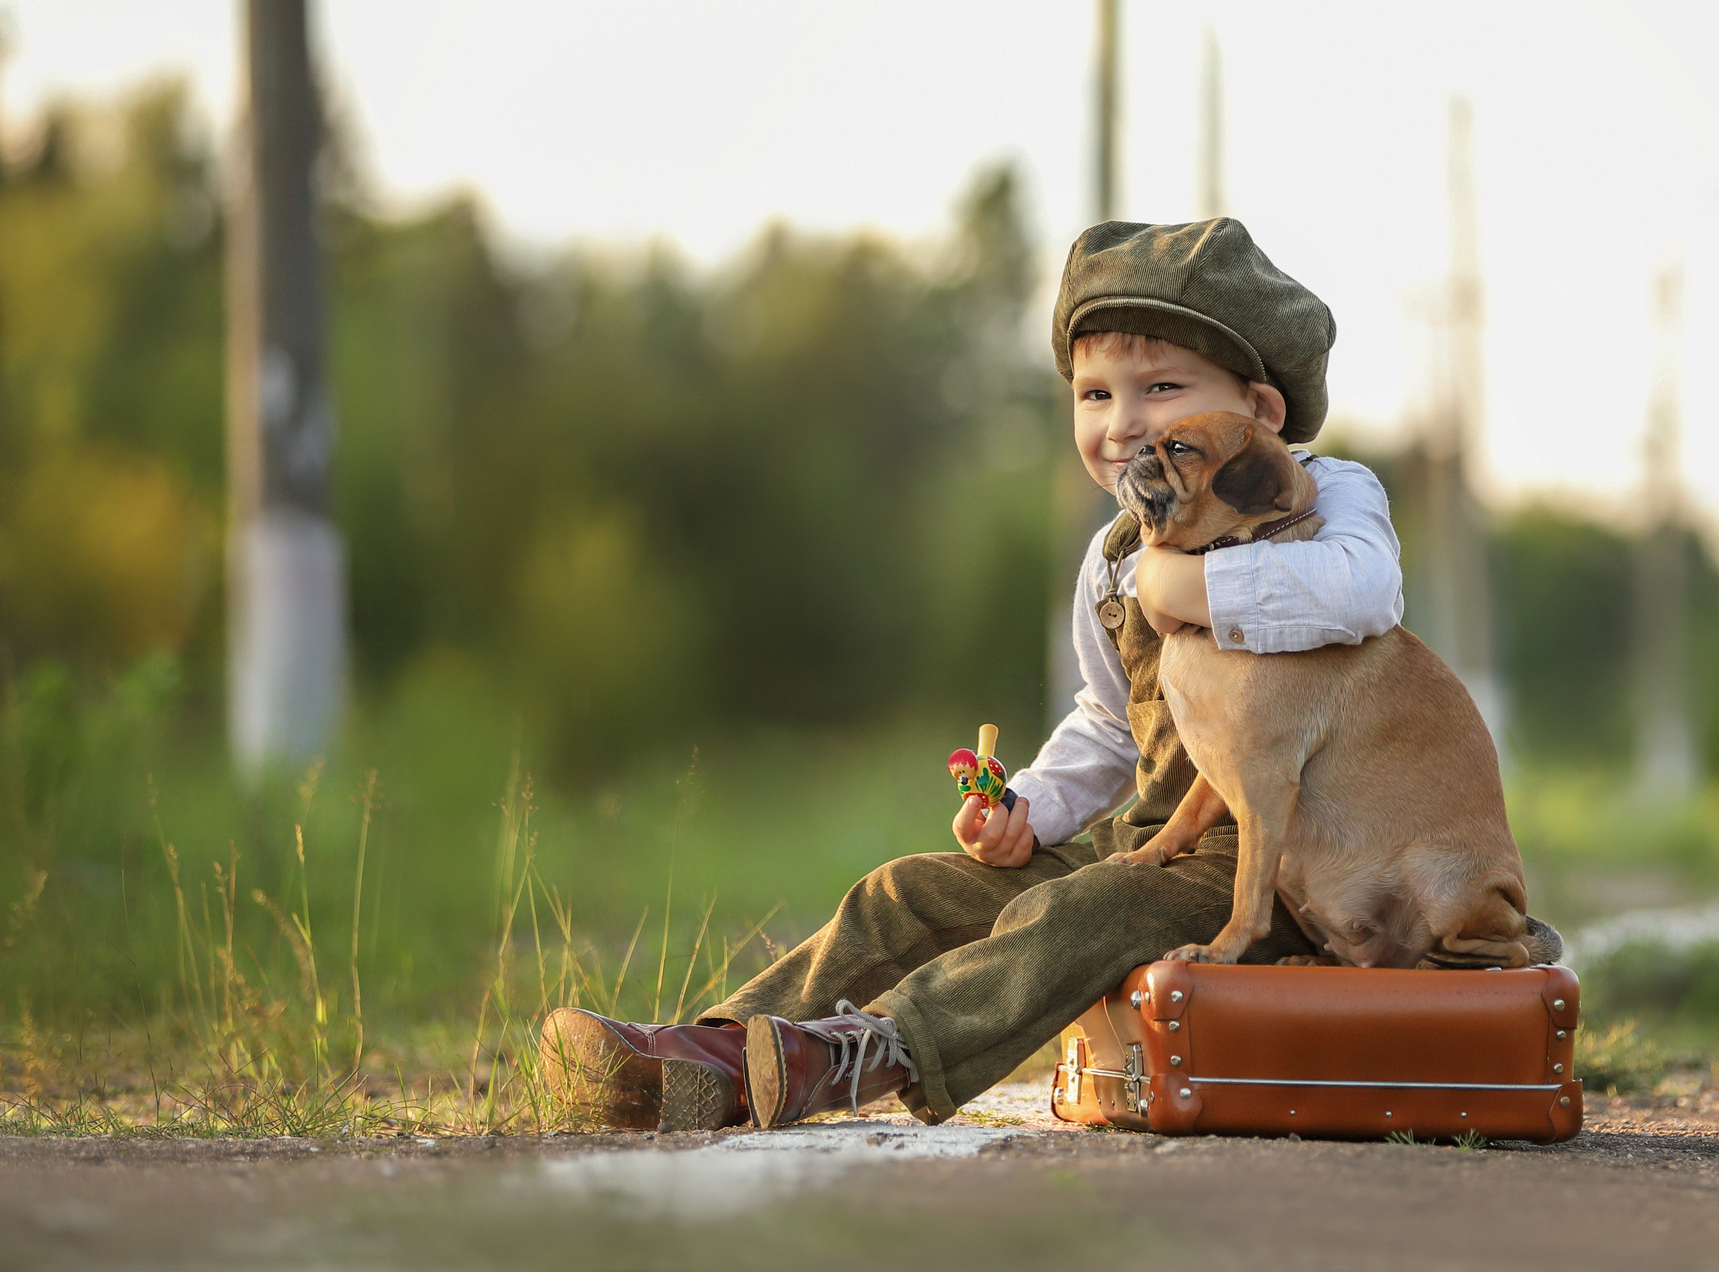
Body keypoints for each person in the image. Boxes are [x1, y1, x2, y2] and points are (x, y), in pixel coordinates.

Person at [539, 217, 1405, 1131]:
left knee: (1077, 911)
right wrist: (1032, 806)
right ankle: (718, 1049)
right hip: (1149, 846)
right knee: (906, 891)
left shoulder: (1324, 496)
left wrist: (1184, 579)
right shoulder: (1115, 555)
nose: (1122, 425)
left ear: (1259, 415)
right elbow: (1115, 723)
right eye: (1095, 393)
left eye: (1161, 389)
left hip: (1274, 874)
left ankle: (858, 1056)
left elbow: (1366, 590)